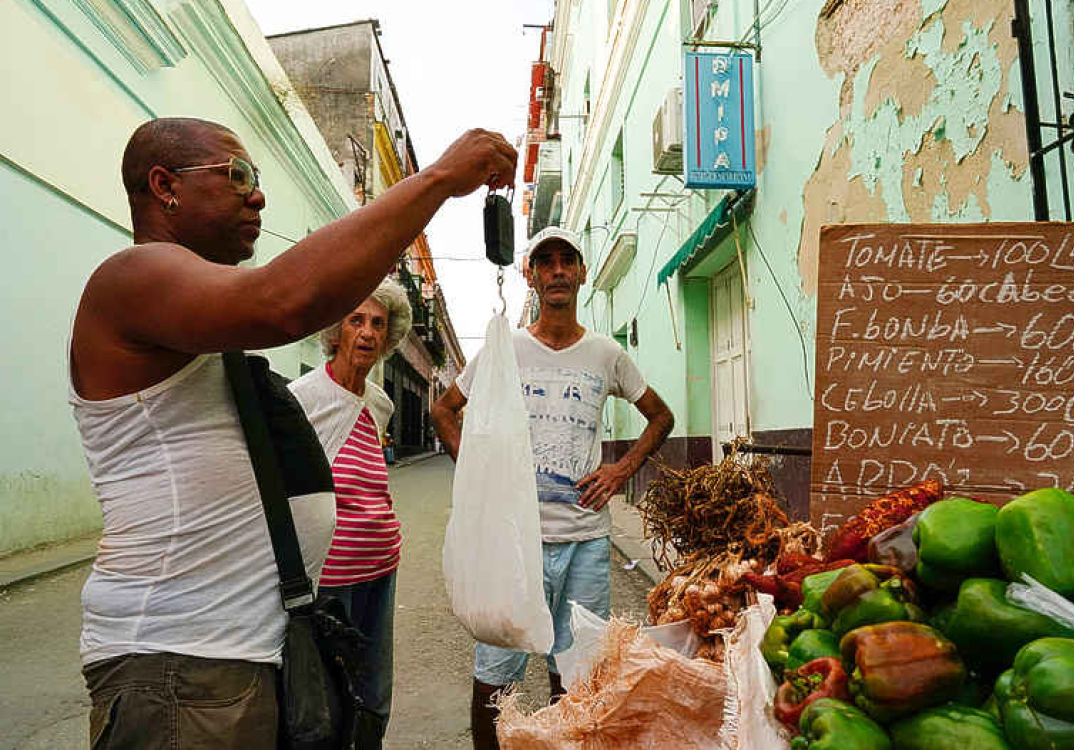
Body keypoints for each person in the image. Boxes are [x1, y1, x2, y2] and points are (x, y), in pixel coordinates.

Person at [68, 116, 515, 749]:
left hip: (234, 658)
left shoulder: (197, 317)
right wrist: (438, 180)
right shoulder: (130, 278)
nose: (258, 196)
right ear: (164, 186)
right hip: (176, 669)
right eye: (238, 177)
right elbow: (285, 302)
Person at [430, 227, 675, 750]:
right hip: (515, 545)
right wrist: (482, 481)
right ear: (532, 276)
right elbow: (444, 409)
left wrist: (621, 470)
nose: (558, 270)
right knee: (496, 675)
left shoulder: (606, 354)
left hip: (586, 542)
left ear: (583, 274)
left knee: (578, 676)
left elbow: (660, 416)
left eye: (568, 261)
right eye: (546, 262)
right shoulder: (507, 348)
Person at [287, 279, 412, 744]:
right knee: (326, 698)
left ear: (389, 336)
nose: (366, 332)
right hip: (330, 579)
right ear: (336, 331)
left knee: (375, 689)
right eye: (355, 320)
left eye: (378, 324)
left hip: (382, 568)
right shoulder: (304, 397)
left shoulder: (380, 403)